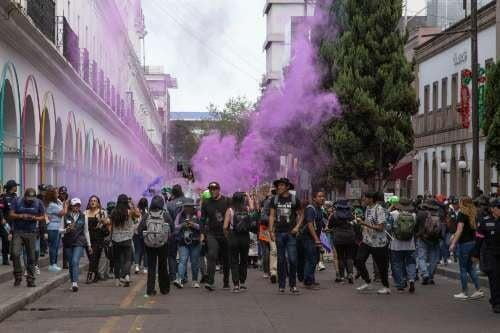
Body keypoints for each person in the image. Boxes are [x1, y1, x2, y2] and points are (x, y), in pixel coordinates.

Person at [269, 178, 303, 294]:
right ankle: (282, 285)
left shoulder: (294, 199)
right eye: (278, 185)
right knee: (281, 260)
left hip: (291, 234)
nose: (279, 187)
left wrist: (297, 227)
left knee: (293, 260)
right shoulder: (275, 199)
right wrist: (271, 231)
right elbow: (272, 216)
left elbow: (301, 215)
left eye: (282, 185)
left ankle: (293, 285)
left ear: (287, 187)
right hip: (279, 233)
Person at [354, 192, 390, 295]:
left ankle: (386, 287)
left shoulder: (379, 210)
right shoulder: (368, 208)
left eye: (365, 198)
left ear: (371, 199)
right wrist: (362, 227)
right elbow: (368, 223)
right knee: (358, 260)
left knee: (381, 265)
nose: (363, 200)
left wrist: (364, 224)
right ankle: (367, 281)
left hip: (378, 243)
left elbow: (381, 227)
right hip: (367, 241)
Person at [9, 188, 45, 287]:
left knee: (31, 257)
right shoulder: (17, 201)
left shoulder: (39, 202)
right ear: (24, 196)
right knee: (15, 253)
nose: (30, 200)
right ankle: (18, 275)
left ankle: (31, 279)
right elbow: (11, 214)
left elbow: (43, 217)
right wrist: (21, 216)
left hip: (31, 232)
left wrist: (34, 218)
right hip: (18, 232)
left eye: (32, 199)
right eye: (28, 198)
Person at [449, 196, 484, 300]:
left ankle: (464, 292)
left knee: (463, 269)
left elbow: (460, 230)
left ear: (462, 203)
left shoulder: (462, 213)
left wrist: (453, 243)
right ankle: (478, 290)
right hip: (472, 242)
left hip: (464, 243)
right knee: (470, 268)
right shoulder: (473, 214)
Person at [224, 192, 258, 292]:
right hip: (245, 237)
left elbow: (225, 226)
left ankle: (235, 285)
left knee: (234, 260)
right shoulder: (247, 209)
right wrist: (248, 196)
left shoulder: (230, 210)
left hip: (233, 237)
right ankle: (242, 283)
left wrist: (227, 236)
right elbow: (253, 208)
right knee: (244, 260)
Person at [138, 195, 171, 297]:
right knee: (163, 266)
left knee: (151, 266)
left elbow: (140, 229)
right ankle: (164, 289)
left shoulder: (147, 215)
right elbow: (172, 228)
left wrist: (145, 239)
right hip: (163, 244)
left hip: (149, 245)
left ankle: (150, 289)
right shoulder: (165, 215)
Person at [201, 182, 230, 291]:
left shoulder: (227, 201)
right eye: (211, 189)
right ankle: (210, 281)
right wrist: (202, 233)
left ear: (219, 189)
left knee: (226, 258)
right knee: (211, 255)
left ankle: (226, 281)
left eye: (215, 189)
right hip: (212, 234)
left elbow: (233, 214)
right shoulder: (206, 203)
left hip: (225, 234)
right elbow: (202, 219)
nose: (213, 191)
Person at [473, 198, 500, 313]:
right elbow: (479, 239)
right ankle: (496, 303)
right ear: (493, 209)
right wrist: (475, 254)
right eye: (498, 208)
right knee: (494, 279)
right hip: (491, 254)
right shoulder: (485, 221)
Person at [387, 198, 417, 293]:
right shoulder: (413, 215)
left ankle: (400, 284)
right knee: (411, 263)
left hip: (396, 244)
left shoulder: (394, 214)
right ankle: (411, 279)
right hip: (410, 244)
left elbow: (387, 222)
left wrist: (391, 206)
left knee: (397, 263)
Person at [110, 194, 140, 287]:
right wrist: (133, 204)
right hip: (127, 238)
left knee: (117, 260)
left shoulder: (113, 212)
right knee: (128, 259)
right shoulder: (129, 212)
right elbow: (138, 214)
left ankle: (117, 280)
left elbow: (111, 226)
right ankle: (125, 275)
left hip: (115, 239)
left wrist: (111, 238)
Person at [62, 198, 92, 292]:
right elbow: (59, 230)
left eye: (78, 205)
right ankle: (72, 281)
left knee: (75, 261)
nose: (77, 207)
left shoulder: (84, 216)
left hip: (79, 242)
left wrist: (89, 245)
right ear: (71, 206)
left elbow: (86, 231)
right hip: (68, 242)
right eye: (75, 205)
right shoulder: (65, 216)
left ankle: (75, 283)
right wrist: (66, 230)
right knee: (71, 263)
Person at [166, 185, 194, 282]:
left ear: (173, 193)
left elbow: (168, 220)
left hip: (173, 232)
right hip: (187, 231)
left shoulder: (169, 204)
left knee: (172, 255)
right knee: (184, 256)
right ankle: (184, 276)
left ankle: (173, 276)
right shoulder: (189, 200)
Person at [174, 202, 202, 289]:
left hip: (195, 241)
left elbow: (201, 226)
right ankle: (179, 279)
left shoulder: (198, 213)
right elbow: (175, 226)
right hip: (183, 241)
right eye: (185, 206)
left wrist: (192, 224)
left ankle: (195, 280)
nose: (187, 208)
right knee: (182, 260)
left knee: (194, 262)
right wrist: (183, 225)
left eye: (189, 206)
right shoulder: (179, 214)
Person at [329, 199, 356, 284]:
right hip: (350, 237)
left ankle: (341, 276)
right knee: (349, 256)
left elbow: (330, 226)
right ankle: (350, 274)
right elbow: (355, 224)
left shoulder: (334, 215)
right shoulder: (351, 215)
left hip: (338, 238)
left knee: (340, 257)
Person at [302, 191, 326, 290]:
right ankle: (308, 282)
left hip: (315, 237)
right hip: (308, 237)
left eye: (323, 196)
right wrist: (316, 239)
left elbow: (319, 224)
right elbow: (310, 224)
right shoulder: (311, 209)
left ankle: (311, 279)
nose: (322, 198)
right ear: (314, 198)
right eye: (319, 196)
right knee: (311, 259)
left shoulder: (319, 209)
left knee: (315, 259)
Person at [416, 200, 443, 285]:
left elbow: (416, 226)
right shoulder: (439, 214)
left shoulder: (420, 214)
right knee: (433, 259)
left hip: (423, 238)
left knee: (421, 257)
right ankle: (431, 276)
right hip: (435, 240)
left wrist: (417, 234)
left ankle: (425, 273)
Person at [85, 195, 109, 283]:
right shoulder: (85, 213)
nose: (93, 202)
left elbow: (107, 222)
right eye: (91, 200)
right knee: (91, 257)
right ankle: (96, 275)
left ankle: (90, 274)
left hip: (98, 237)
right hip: (87, 237)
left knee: (94, 256)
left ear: (98, 203)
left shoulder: (102, 212)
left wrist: (101, 220)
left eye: (95, 200)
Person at [45, 187, 68, 272]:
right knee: (53, 247)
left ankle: (54, 264)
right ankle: (52, 264)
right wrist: (66, 206)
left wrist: (62, 202)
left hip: (56, 227)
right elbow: (63, 213)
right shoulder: (52, 205)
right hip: (53, 227)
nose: (58, 194)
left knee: (56, 246)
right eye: (56, 193)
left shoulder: (56, 203)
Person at [0, 180, 19, 265]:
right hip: (5, 222)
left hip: (14, 222)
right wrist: (2, 218)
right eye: (15, 186)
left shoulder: (16, 197)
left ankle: (12, 256)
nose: (16, 187)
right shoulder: (3, 197)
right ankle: (5, 258)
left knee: (15, 239)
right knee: (6, 240)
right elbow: (0, 209)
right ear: (12, 187)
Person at [133, 197, 149, 274]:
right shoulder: (148, 212)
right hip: (145, 233)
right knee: (146, 251)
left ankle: (137, 266)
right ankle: (145, 268)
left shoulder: (136, 211)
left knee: (137, 250)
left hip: (136, 233)